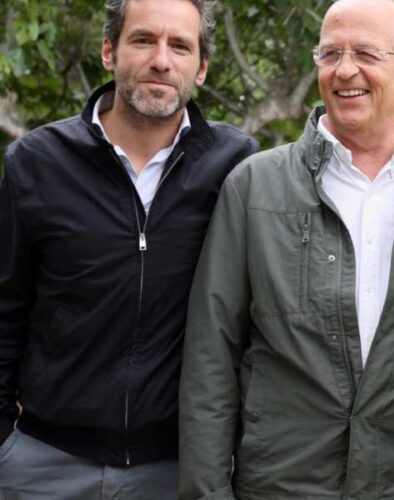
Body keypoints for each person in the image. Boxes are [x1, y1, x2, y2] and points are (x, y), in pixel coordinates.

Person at [177, 0, 394, 498]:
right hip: (281, 484)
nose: (345, 70)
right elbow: (210, 357)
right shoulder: (255, 187)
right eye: (330, 54)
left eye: (365, 52)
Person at [0, 0, 258, 498]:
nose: (161, 60)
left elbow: (324, 177)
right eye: (143, 40)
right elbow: (5, 309)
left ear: (201, 68)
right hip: (40, 466)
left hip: (173, 471)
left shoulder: (238, 167)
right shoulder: (37, 163)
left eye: (180, 46)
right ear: (108, 52)